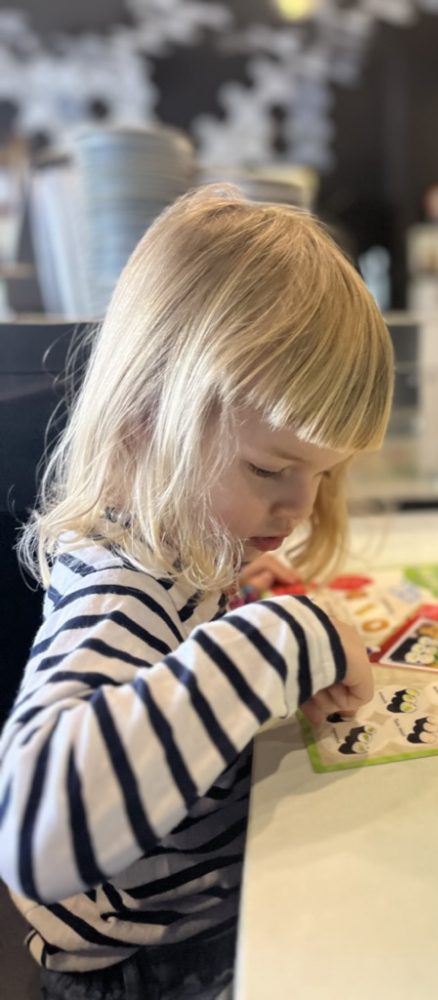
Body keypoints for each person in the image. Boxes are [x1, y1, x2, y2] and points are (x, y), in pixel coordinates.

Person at [0, 184, 394, 998]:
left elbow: (174, 653)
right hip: (151, 967)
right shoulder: (119, 584)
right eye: (269, 469)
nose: (300, 507)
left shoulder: (177, 549)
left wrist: (241, 588)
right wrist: (279, 637)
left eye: (321, 475)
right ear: (143, 420)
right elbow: (34, 830)